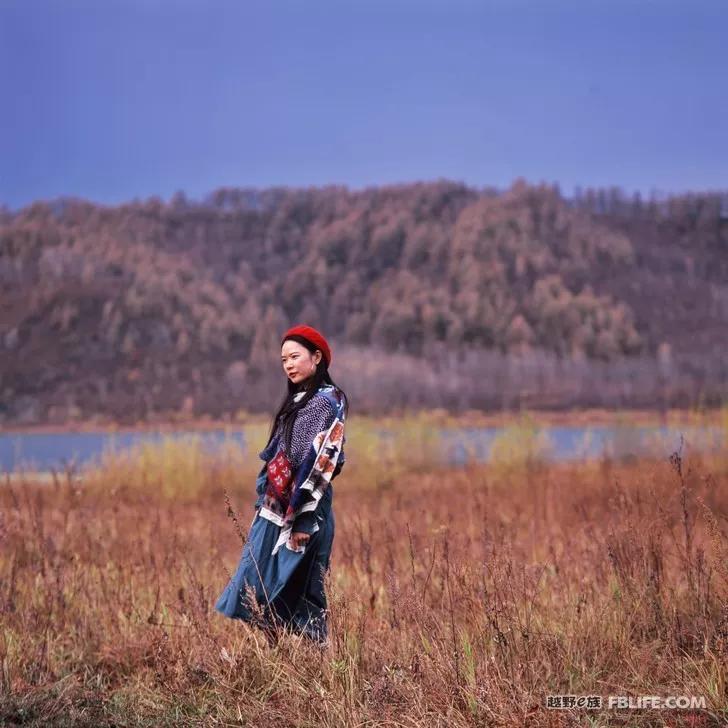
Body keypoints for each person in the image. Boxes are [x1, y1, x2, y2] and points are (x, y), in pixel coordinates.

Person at [215, 324, 348, 646]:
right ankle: (275, 658)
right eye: (283, 359)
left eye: (295, 357)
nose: (288, 365)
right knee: (256, 582)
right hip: (275, 511)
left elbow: (320, 461)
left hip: (304, 511)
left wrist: (302, 518)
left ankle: (314, 662)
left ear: (317, 357)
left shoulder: (327, 401)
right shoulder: (299, 400)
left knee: (301, 587)